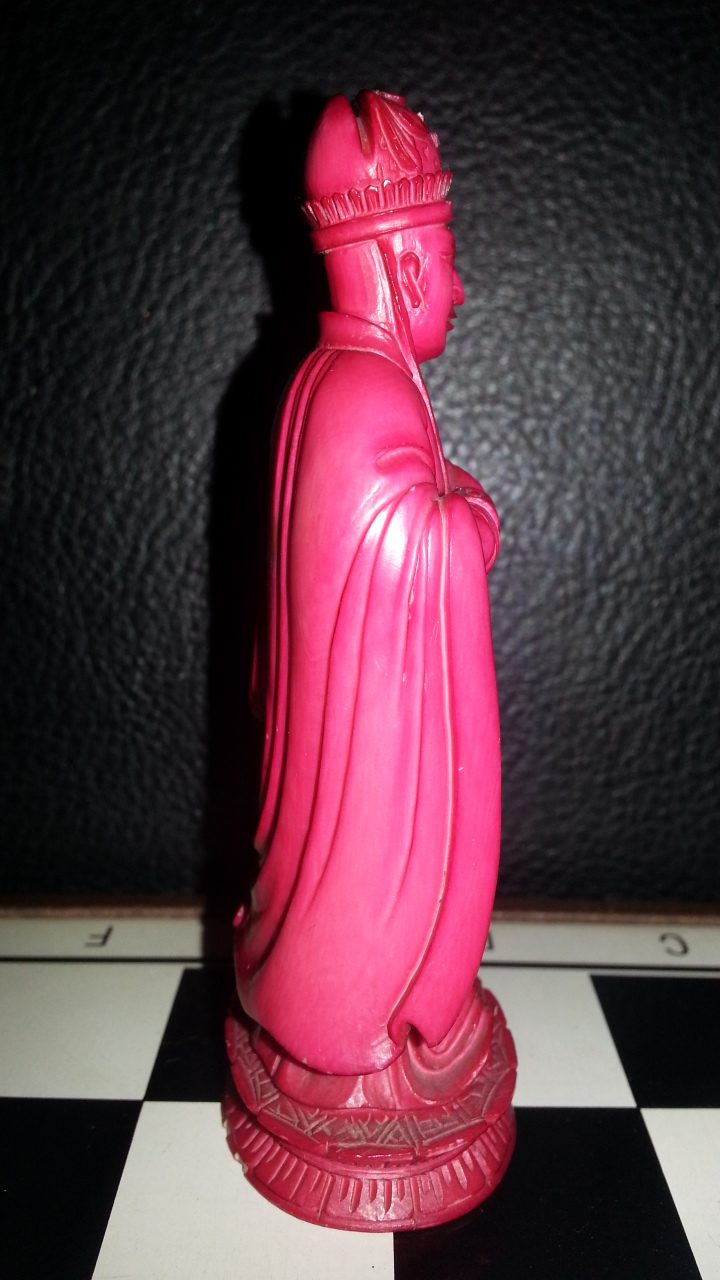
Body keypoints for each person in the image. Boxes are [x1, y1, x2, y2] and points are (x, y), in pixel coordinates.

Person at [234, 91, 502, 1078]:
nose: (459, 289)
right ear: (405, 264)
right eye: (445, 260)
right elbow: (412, 541)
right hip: (366, 784)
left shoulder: (333, 378)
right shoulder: (359, 391)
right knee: (355, 897)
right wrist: (466, 524)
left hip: (356, 747)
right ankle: (351, 1017)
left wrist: (443, 506)